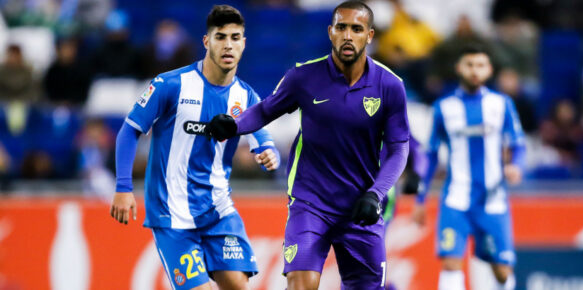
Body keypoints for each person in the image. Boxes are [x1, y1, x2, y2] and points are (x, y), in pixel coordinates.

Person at [205, 1, 410, 289]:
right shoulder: (303, 77)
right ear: (330, 32)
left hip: (362, 205)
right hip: (310, 203)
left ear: (370, 35)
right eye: (341, 28)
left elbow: (399, 148)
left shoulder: (390, 86)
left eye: (356, 29)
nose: (348, 36)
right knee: (301, 284)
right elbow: (265, 110)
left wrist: (376, 194)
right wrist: (235, 125)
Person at [109, 5, 280, 290]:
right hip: (172, 214)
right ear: (206, 41)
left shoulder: (246, 96)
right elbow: (129, 131)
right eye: (220, 36)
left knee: (238, 286)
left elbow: (262, 139)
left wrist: (268, 153)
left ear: (244, 43)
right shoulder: (170, 84)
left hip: (219, 211)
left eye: (235, 37)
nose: (228, 45)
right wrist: (123, 187)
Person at [412, 45, 526, 290]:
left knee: (503, 272)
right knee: (451, 264)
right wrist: (421, 199)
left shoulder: (502, 104)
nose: (475, 71)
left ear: (489, 69)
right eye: (470, 65)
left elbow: (518, 144)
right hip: (456, 201)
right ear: (459, 68)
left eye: (480, 65)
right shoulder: (443, 108)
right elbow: (430, 156)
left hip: (493, 201)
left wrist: (516, 166)